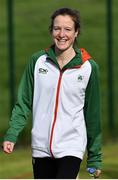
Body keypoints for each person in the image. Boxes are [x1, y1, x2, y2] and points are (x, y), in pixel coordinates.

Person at [3, 7, 102, 179]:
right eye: (57, 28)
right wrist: (12, 134)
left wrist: (94, 158)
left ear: (76, 32)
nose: (61, 34)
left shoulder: (88, 68)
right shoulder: (38, 61)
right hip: (41, 148)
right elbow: (24, 102)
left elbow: (92, 115)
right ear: (51, 31)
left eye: (68, 29)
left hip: (72, 147)